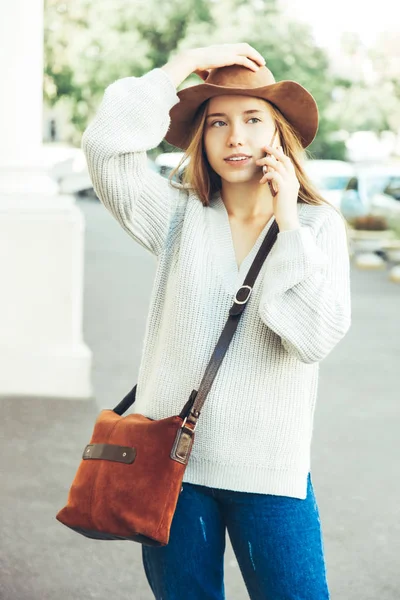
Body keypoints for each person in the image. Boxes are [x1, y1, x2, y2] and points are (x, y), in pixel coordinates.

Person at [82, 43, 351, 600]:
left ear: (278, 133)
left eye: (253, 119)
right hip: (171, 469)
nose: (236, 137)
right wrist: (183, 63)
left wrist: (287, 227)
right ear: (200, 138)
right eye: (218, 122)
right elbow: (106, 147)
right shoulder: (177, 216)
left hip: (270, 473)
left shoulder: (317, 227)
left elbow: (313, 335)